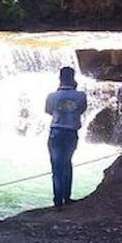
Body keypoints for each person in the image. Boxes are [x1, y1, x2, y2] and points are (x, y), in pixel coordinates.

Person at [45, 66, 88, 209]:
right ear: (74, 78)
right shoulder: (81, 95)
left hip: (55, 132)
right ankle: (67, 198)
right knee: (67, 164)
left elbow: (48, 111)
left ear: (60, 78)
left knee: (56, 166)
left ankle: (57, 201)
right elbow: (81, 110)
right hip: (71, 132)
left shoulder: (52, 96)